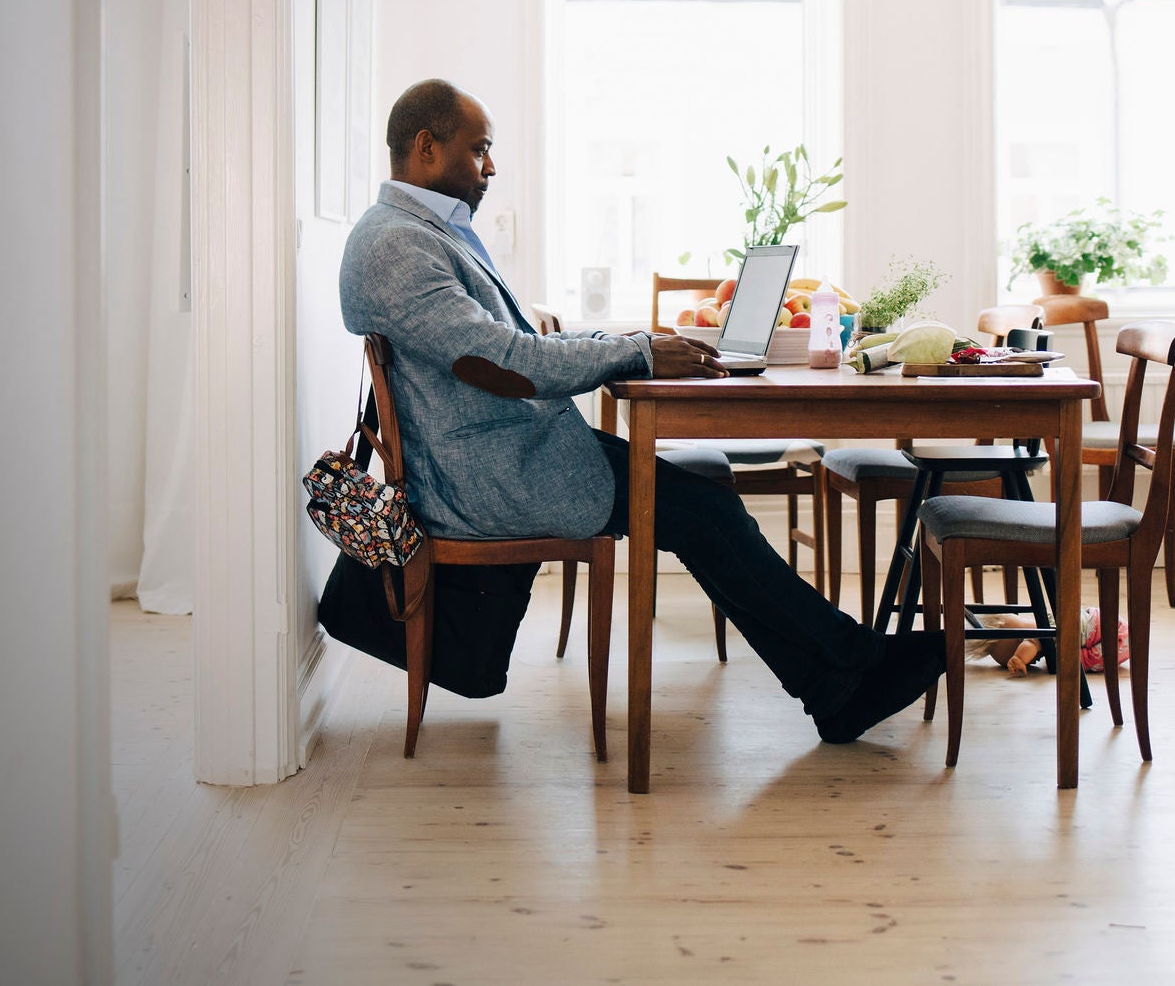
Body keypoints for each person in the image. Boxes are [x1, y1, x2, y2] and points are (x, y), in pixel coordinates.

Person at [339, 79, 944, 743]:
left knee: (703, 502)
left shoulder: (418, 233)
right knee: (703, 509)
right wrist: (637, 352)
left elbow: (519, 349)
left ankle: (839, 679)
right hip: (491, 477)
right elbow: (509, 363)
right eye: (479, 150)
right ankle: (844, 676)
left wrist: (630, 344)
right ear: (426, 148)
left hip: (510, 452)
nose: (490, 168)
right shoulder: (397, 244)